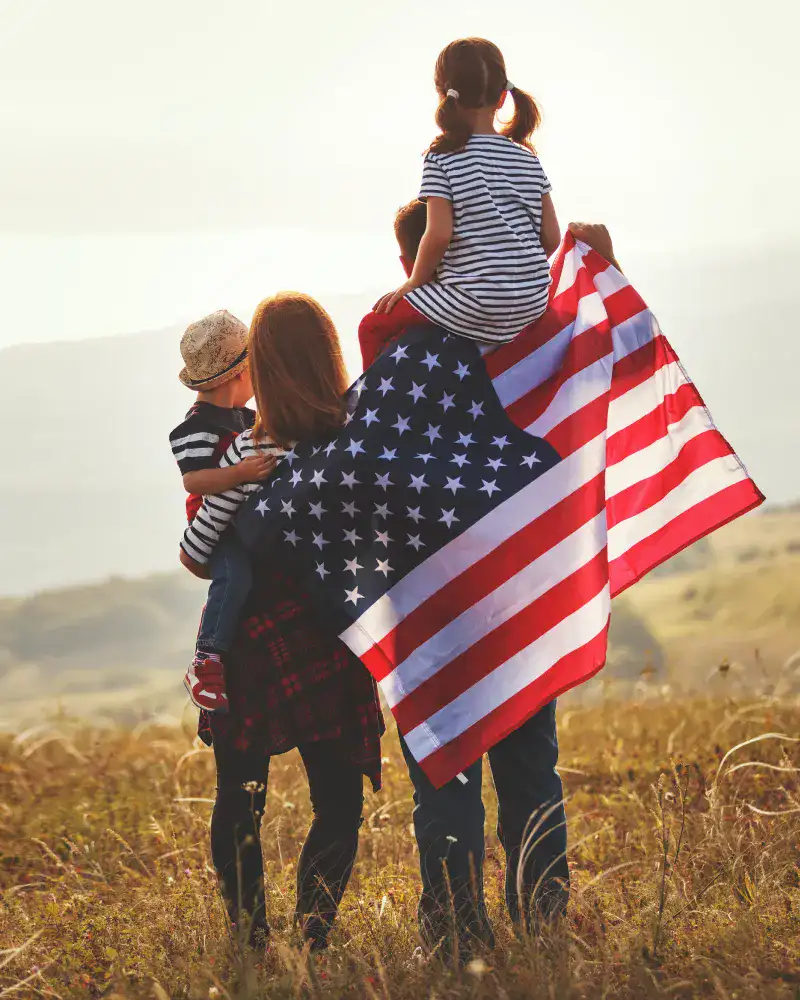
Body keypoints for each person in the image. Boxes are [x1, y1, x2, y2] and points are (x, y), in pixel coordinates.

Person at [361, 197, 623, 958]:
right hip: (515, 594)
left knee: (445, 773)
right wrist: (580, 252)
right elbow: (592, 333)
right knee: (530, 763)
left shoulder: (394, 336)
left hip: (430, 604)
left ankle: (451, 936)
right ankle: (541, 923)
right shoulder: (527, 330)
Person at [179, 292, 385, 952]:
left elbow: (194, 554)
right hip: (330, 640)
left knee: (241, 799)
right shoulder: (357, 440)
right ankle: (314, 933)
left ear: (259, 366)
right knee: (338, 801)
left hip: (251, 646)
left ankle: (252, 938)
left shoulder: (246, 448)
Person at [366, 37, 561, 350]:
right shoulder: (527, 158)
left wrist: (414, 283)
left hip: (475, 303)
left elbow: (439, 234)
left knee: (373, 325)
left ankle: (379, 401)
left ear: (444, 95)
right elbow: (551, 237)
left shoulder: (442, 157)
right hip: (533, 300)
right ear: (502, 98)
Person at [169, 310, 280, 713]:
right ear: (240, 375)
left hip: (243, 519)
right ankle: (207, 657)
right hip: (216, 529)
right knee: (234, 575)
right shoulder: (195, 427)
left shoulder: (244, 418)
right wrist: (241, 472)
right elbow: (194, 481)